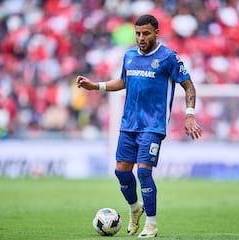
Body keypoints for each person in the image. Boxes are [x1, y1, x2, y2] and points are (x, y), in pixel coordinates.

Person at [76, 14, 202, 238]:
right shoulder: (129, 55)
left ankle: (151, 225)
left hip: (153, 126)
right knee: (121, 172)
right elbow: (123, 81)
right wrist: (96, 86)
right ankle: (135, 208)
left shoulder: (169, 58)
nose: (141, 38)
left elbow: (189, 86)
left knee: (144, 173)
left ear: (156, 33)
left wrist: (190, 115)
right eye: (138, 33)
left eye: (146, 33)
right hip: (128, 124)